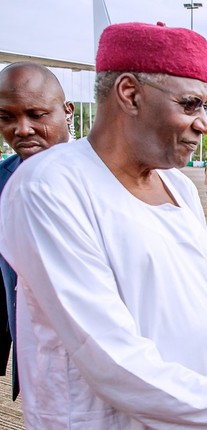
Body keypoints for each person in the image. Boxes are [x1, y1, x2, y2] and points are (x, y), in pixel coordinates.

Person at [0, 22, 207, 429]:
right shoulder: (49, 187)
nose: (203, 124)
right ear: (130, 94)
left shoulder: (177, 186)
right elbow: (113, 362)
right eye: (189, 105)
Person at [0, 61, 74, 401]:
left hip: (97, 372)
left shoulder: (109, 179)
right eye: (7, 117)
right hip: (35, 369)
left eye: (37, 114)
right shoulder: (2, 179)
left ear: (67, 111)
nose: (22, 129)